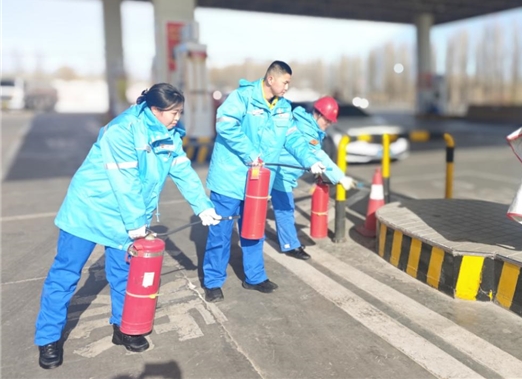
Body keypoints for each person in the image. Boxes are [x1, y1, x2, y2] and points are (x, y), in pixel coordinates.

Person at [34, 83, 221, 370]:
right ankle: (49, 339)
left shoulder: (169, 134)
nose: (177, 118)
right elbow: (125, 182)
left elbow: (182, 169)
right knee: (65, 274)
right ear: (155, 109)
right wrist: (137, 226)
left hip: (124, 216)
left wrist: (202, 205)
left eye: (180, 112)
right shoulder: (123, 130)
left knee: (123, 274)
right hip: (89, 210)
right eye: (173, 113)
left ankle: (124, 327)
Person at [203, 61, 325, 302]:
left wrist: (310, 160)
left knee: (254, 228)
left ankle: (255, 277)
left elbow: (293, 138)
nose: (287, 87)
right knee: (221, 233)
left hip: (257, 183)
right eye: (285, 82)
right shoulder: (243, 98)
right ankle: (213, 281)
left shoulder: (283, 108)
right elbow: (225, 125)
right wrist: (251, 154)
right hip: (230, 177)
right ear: (271, 79)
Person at [271, 96, 355, 259]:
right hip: (279, 174)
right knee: (285, 209)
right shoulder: (306, 129)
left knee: (279, 208)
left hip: (282, 174)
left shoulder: (309, 126)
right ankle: (290, 246)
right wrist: (340, 177)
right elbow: (317, 155)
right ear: (317, 114)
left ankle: (288, 243)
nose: (328, 124)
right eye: (327, 120)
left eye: (331, 121)